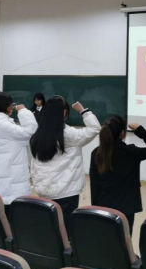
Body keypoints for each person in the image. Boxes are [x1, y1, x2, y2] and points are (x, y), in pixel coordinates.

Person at [30, 96, 100, 228]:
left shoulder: (37, 135)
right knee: (65, 228)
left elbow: (34, 165)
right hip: (66, 191)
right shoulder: (69, 134)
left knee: (49, 227)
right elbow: (95, 128)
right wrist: (84, 111)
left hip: (43, 189)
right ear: (64, 113)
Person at [89, 116, 146, 235]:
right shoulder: (131, 152)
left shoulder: (97, 153)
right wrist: (140, 130)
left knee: (106, 237)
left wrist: (96, 208)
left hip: (104, 205)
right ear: (122, 133)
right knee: (124, 238)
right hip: (126, 207)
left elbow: (94, 183)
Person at [0, 92, 37, 213]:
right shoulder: (5, 125)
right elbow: (30, 132)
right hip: (8, 184)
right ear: (7, 107)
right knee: (8, 216)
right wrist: (24, 111)